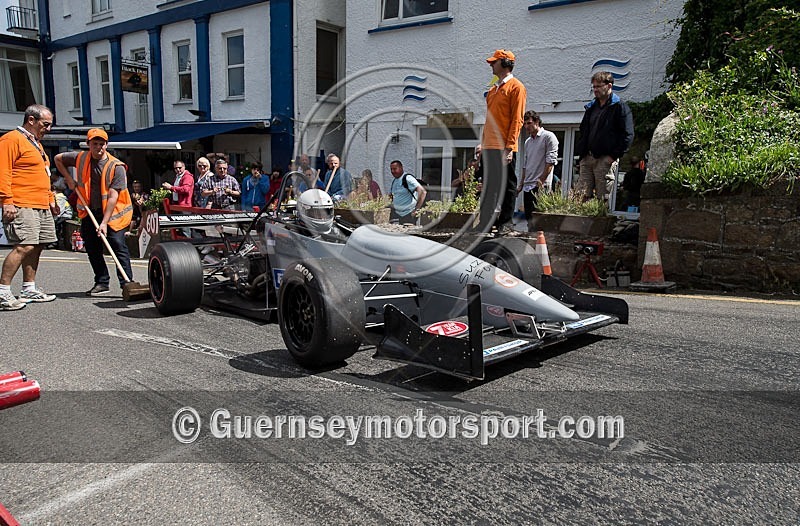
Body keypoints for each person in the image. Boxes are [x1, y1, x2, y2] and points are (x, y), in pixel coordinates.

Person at [54, 128, 134, 296]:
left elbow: (113, 196)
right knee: (92, 247)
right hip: (90, 211)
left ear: (106, 145)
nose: (98, 147)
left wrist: (104, 223)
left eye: (102, 144)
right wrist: (69, 179)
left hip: (114, 214)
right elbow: (57, 159)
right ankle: (102, 282)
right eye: (95, 144)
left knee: (118, 245)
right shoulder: (80, 158)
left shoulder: (116, 167)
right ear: (88, 144)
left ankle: (127, 282)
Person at [0, 104, 59, 309]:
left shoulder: (36, 144)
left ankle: (29, 288)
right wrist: (7, 200)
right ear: (31, 120)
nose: (48, 129)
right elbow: (3, 171)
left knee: (38, 244)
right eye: (45, 124)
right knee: (24, 245)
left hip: (40, 203)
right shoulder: (11, 140)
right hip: (22, 202)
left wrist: (51, 199)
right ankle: (3, 292)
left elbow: (44, 173)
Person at [480, 49, 527, 235]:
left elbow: (517, 120)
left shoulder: (517, 88)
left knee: (507, 185)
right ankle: (485, 222)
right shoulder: (493, 89)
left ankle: (506, 222)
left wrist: (509, 147)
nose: (491, 65)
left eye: (494, 62)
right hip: (489, 146)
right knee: (489, 186)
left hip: (503, 147)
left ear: (505, 64)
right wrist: (482, 143)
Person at [574, 71, 634, 203]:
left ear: (609, 86)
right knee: (580, 197)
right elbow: (584, 131)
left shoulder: (619, 107)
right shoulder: (591, 107)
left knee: (602, 199)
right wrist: (582, 155)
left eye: (599, 86)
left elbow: (628, 135)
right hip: (587, 157)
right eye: (594, 87)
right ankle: (580, 223)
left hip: (604, 159)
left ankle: (600, 223)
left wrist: (612, 156)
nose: (595, 90)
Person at [518, 110, 559, 223]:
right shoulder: (527, 142)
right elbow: (526, 165)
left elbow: (550, 161)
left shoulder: (548, 137)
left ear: (537, 122)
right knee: (529, 219)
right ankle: (530, 240)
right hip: (527, 185)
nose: (526, 126)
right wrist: (521, 184)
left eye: (529, 123)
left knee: (540, 219)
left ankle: (540, 240)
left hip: (541, 185)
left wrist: (541, 180)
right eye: (525, 124)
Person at [388, 160, 426, 225]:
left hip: (408, 215)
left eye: (395, 169)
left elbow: (423, 191)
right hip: (398, 214)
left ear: (401, 168)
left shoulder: (408, 178)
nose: (392, 171)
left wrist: (416, 209)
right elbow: (392, 195)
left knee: (406, 234)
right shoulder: (395, 180)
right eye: (391, 169)